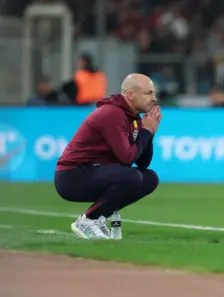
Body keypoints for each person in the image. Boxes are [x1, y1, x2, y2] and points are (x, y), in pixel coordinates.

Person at [54, 74, 162, 240]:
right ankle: (89, 219)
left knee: (150, 178)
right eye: (148, 93)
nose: (154, 98)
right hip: (72, 176)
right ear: (131, 95)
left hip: (94, 172)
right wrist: (145, 132)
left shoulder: (133, 118)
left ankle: (99, 217)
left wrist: (149, 133)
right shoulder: (113, 114)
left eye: (153, 93)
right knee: (132, 177)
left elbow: (142, 162)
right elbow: (126, 159)